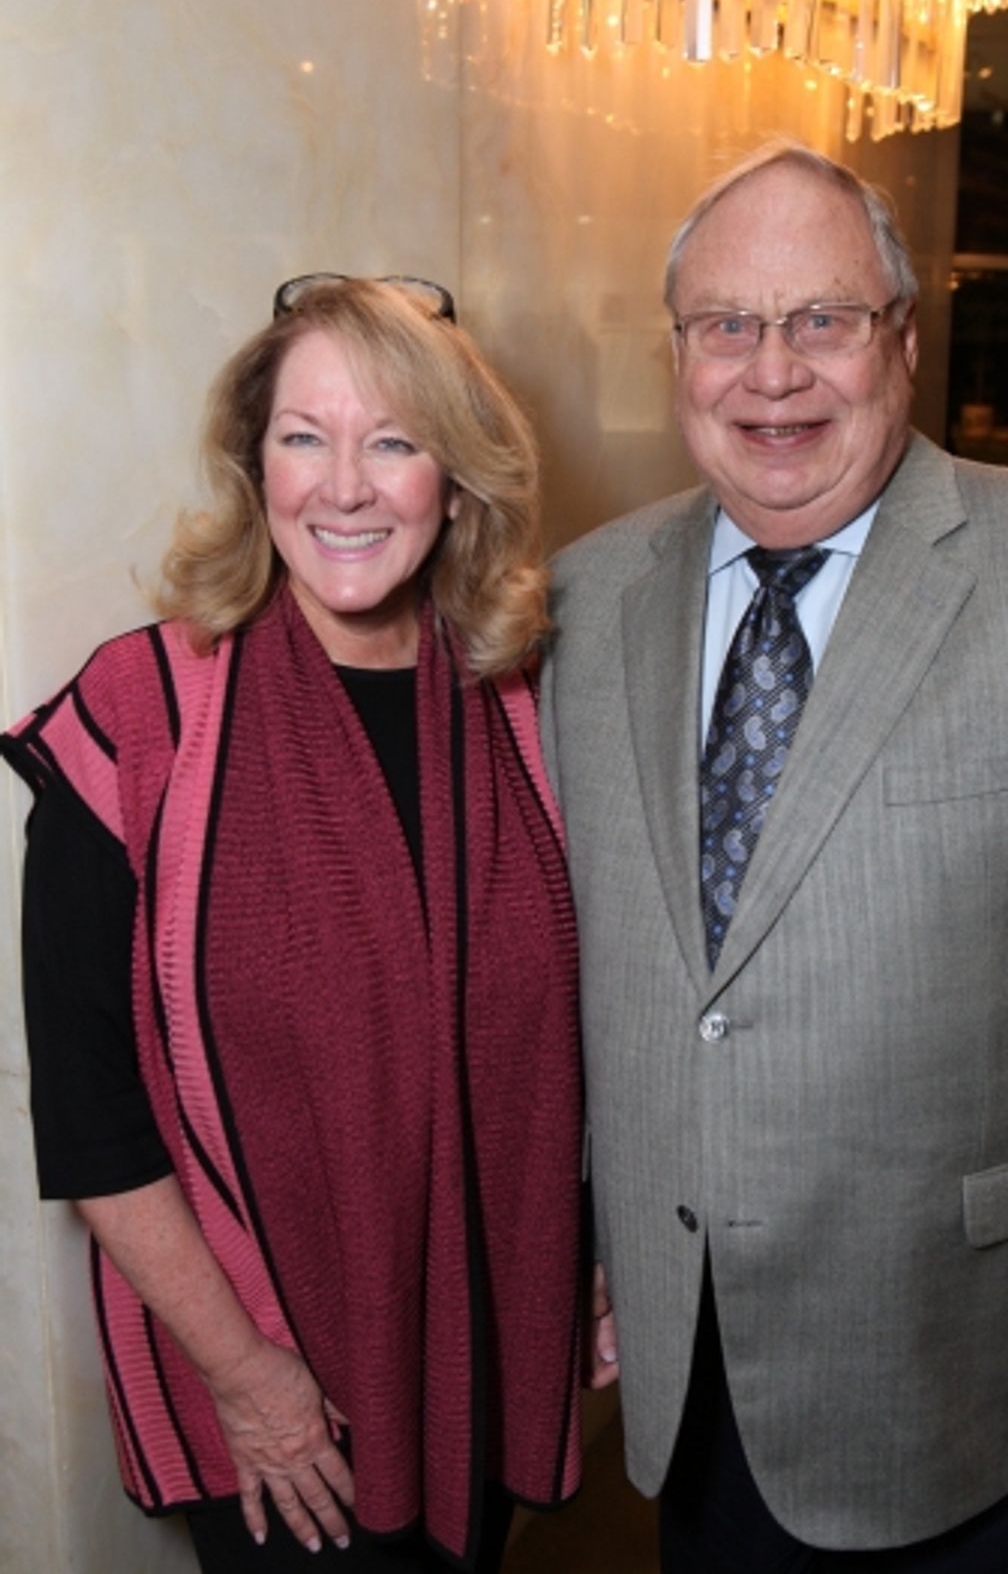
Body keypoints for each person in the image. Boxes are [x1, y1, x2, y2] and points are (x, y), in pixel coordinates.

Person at [540, 142, 1008, 1573]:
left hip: (986, 1377)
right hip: (700, 1359)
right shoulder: (583, 602)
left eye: (823, 319)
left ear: (902, 338)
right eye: (729, 325)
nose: (773, 374)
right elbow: (589, 974)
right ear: (679, 355)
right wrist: (591, 1233)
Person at [2, 276, 582, 1572]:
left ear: (460, 479)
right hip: (270, 1390)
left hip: (479, 1343)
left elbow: (567, 1041)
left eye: (395, 440)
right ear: (251, 462)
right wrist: (254, 1380)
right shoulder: (139, 717)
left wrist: (584, 1260)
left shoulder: (519, 708)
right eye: (304, 437)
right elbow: (94, 1126)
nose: (346, 487)